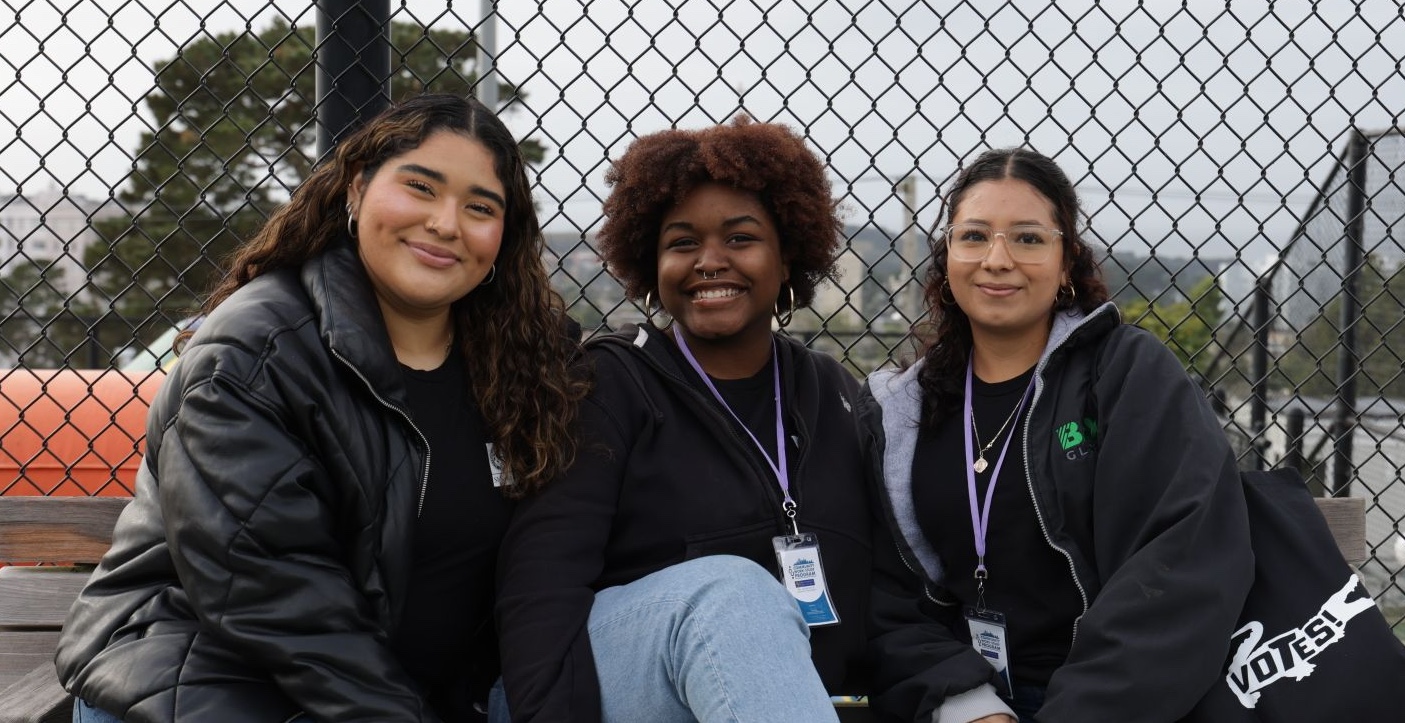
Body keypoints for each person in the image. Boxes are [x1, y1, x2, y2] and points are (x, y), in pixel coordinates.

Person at [55, 93, 587, 723]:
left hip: (423, 693)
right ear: (357, 190)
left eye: (480, 207)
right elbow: (272, 592)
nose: (447, 224)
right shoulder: (249, 358)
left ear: (504, 236)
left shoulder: (524, 363)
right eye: (421, 186)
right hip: (209, 681)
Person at [495, 117, 874, 722]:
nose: (709, 261)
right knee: (734, 593)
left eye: (741, 238)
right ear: (651, 266)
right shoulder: (607, 384)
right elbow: (541, 586)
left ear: (788, 257)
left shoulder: (833, 393)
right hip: (598, 688)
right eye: (681, 243)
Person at [863, 148, 1252, 722]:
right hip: (969, 702)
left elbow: (1181, 561)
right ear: (947, 256)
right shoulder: (902, 409)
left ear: (1066, 259)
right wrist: (968, 705)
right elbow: (885, 594)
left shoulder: (1126, 375)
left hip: (1115, 702)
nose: (997, 259)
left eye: (1027, 238)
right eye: (973, 236)